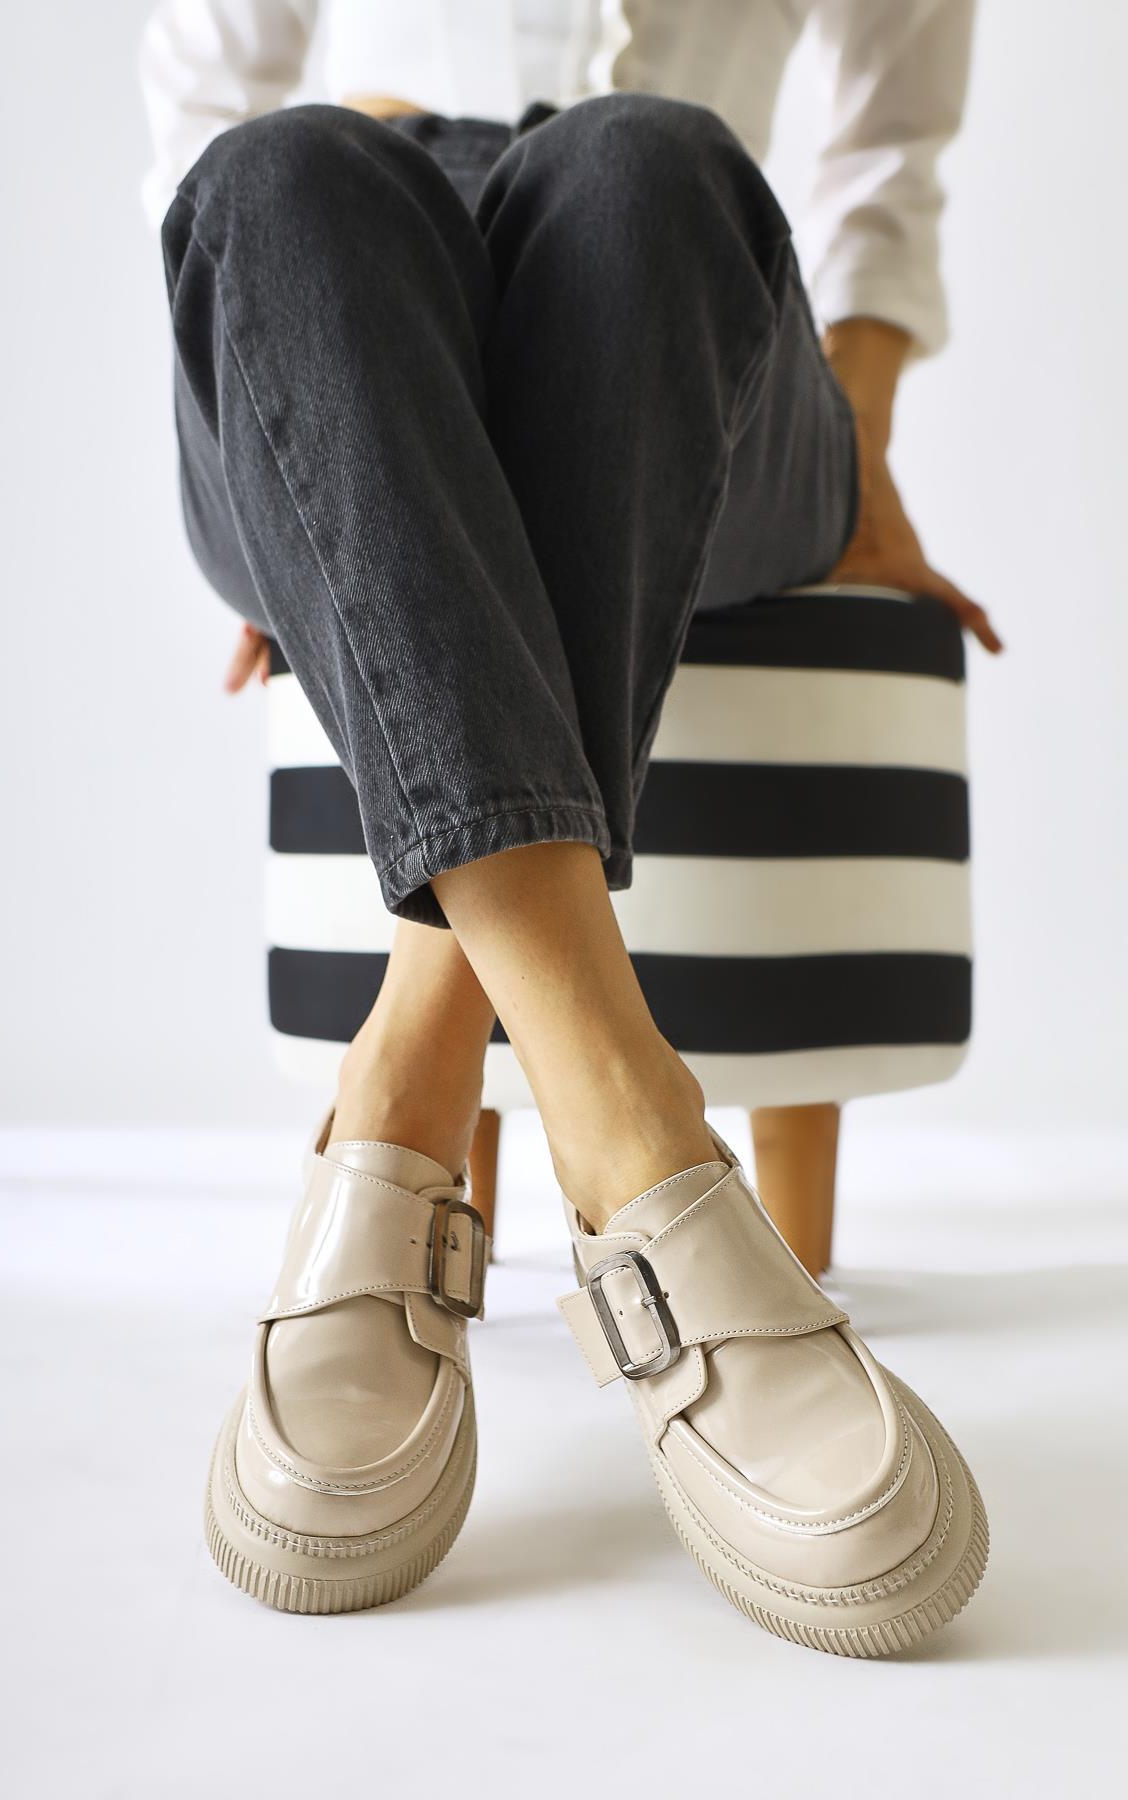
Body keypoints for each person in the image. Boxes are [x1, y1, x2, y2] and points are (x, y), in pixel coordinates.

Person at [139, 0, 998, 1652]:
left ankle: (404, 1078)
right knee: (284, 174)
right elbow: (203, 82)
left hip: (696, 330)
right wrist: (284, 429)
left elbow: (890, 137)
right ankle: (639, 1128)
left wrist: (870, 448)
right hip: (348, 291)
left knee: (642, 167)